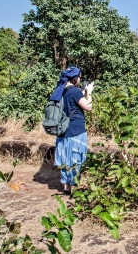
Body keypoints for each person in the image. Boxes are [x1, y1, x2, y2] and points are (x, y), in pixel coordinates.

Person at [49, 66, 94, 195]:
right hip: (75, 130)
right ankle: (75, 188)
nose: (80, 79)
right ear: (75, 78)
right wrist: (89, 93)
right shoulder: (75, 92)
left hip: (62, 131)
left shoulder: (60, 90)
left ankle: (66, 188)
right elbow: (88, 107)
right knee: (76, 159)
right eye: (79, 77)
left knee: (64, 158)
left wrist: (83, 93)